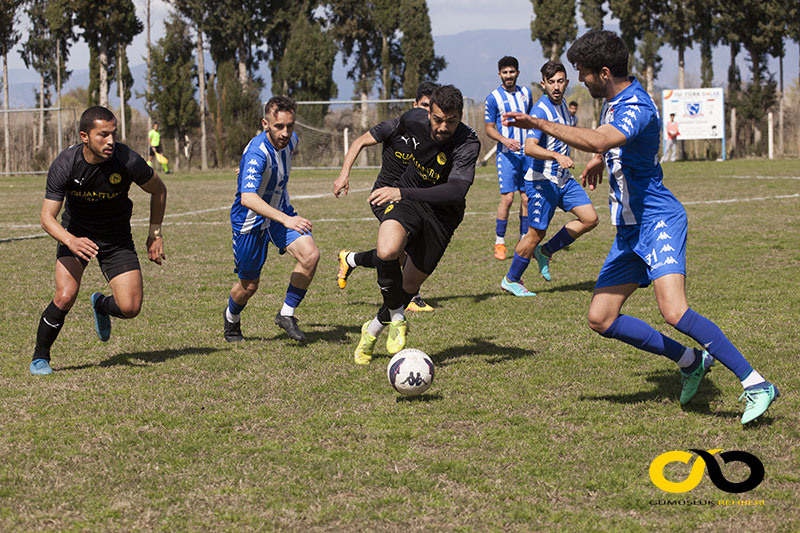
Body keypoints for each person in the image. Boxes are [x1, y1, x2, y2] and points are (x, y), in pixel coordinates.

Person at [503, 29, 778, 424]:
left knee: (674, 311)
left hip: (657, 219)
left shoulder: (636, 105)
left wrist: (540, 123)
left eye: (582, 72)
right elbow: (608, 143)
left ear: (603, 72)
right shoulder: (612, 102)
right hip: (629, 230)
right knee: (601, 317)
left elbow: (601, 138)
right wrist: (602, 159)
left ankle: (755, 383)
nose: (579, 80)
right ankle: (689, 360)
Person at [30, 106, 167, 375]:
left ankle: (101, 305)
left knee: (130, 307)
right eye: (102, 135)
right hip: (76, 233)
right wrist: (71, 240)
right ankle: (40, 357)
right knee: (65, 295)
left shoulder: (128, 160)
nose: (110, 141)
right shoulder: (66, 164)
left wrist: (155, 233)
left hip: (116, 237)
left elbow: (159, 189)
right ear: (85, 136)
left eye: (113, 134)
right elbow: (47, 218)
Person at [353, 85, 480, 365]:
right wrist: (397, 185)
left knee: (408, 285)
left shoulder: (468, 143)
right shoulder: (413, 119)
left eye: (451, 121)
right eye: (437, 119)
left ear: (460, 116)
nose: (443, 127)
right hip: (408, 199)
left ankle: (372, 329)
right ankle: (398, 317)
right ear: (428, 112)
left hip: (442, 216)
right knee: (387, 251)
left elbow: (456, 191)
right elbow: (386, 134)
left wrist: (401, 192)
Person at [333, 82, 439, 312]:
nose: (426, 113)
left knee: (395, 251)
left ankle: (350, 259)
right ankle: (411, 297)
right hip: (383, 197)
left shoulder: (433, 135)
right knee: (407, 246)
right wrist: (344, 175)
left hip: (410, 198)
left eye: (431, 109)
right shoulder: (395, 127)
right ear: (414, 105)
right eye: (423, 106)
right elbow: (359, 142)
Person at [223, 96, 319, 343]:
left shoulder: (291, 141)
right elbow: (248, 198)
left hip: (279, 213)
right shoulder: (257, 152)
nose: (285, 133)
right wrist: (286, 220)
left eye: (290, 126)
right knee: (249, 286)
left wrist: (284, 218)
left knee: (310, 255)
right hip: (250, 223)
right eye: (279, 126)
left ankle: (286, 314)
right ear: (265, 123)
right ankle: (231, 319)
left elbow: (283, 149)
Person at [501, 61, 598, 296]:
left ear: (566, 82)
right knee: (536, 233)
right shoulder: (540, 111)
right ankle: (512, 279)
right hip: (541, 181)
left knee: (590, 219)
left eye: (560, 81)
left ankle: (546, 252)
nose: (556, 86)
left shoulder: (564, 105)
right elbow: (530, 147)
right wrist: (556, 156)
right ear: (543, 84)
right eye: (551, 82)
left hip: (563, 179)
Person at [485, 56, 532, 260]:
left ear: (517, 73)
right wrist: (505, 140)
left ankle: (524, 240)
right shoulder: (493, 97)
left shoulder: (526, 93)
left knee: (526, 198)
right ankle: (500, 242)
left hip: (527, 155)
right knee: (508, 198)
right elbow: (488, 128)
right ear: (499, 74)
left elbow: (531, 121)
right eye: (505, 72)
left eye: (512, 72)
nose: (508, 76)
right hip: (506, 155)